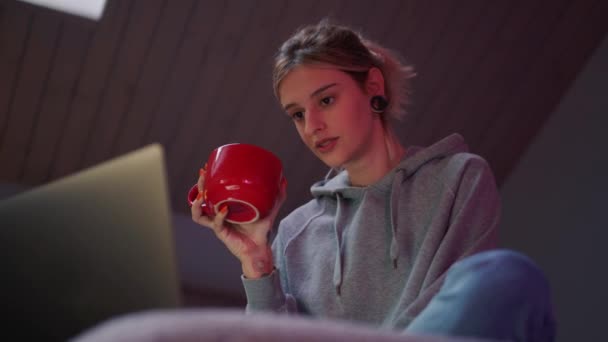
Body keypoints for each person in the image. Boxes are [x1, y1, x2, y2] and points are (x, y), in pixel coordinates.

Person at [190, 20, 556, 342]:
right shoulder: (294, 232)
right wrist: (257, 265)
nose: (312, 126)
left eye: (327, 100)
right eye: (298, 114)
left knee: (508, 276)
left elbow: (459, 316)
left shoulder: (460, 177)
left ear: (373, 86)